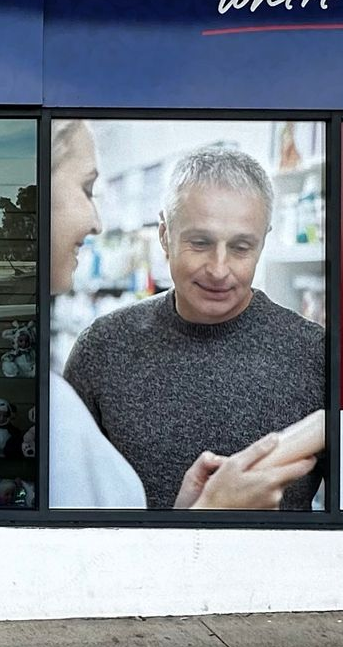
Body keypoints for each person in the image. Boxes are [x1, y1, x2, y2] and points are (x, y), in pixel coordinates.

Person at [48, 119, 320, 510]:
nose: (219, 268)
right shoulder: (103, 347)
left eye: (241, 247)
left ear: (263, 242)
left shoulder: (314, 354)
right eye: (200, 242)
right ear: (164, 236)